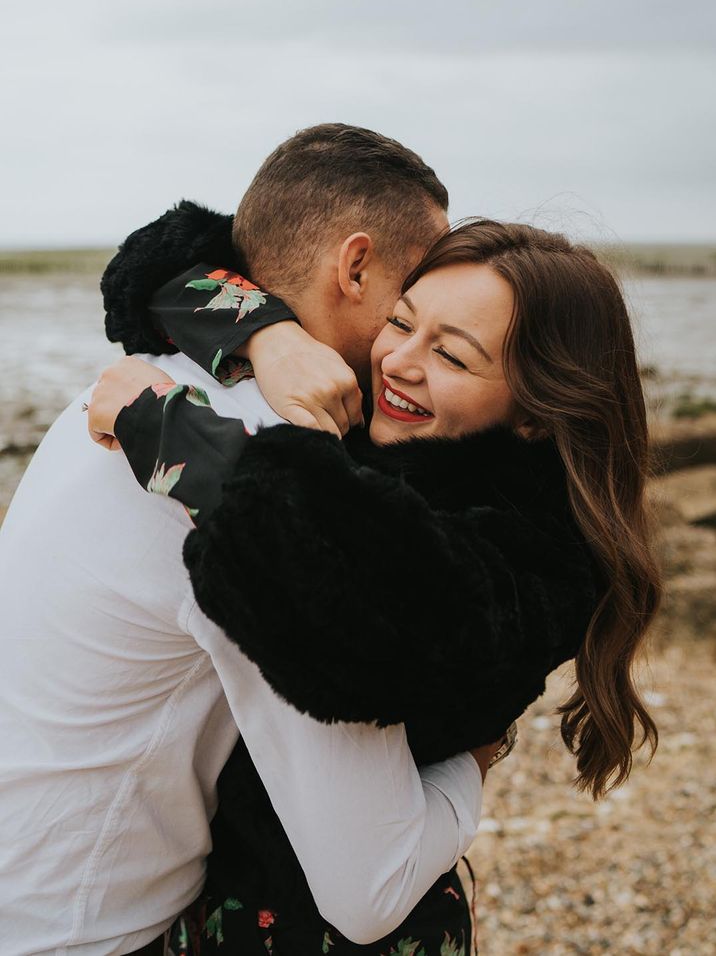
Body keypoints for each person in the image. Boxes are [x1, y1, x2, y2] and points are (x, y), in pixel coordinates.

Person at [90, 217, 662, 954]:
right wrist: (272, 335)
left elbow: (354, 600)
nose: (398, 361)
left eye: (452, 354)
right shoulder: (390, 418)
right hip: (219, 899)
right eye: (401, 321)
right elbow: (152, 269)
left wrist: (172, 434)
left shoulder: (544, 554)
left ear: (535, 413)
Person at [0, 125, 496, 955]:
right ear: (356, 266)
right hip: (75, 933)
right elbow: (370, 885)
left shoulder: (149, 375)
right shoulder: (274, 470)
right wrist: (479, 759)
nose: (415, 338)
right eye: (410, 302)